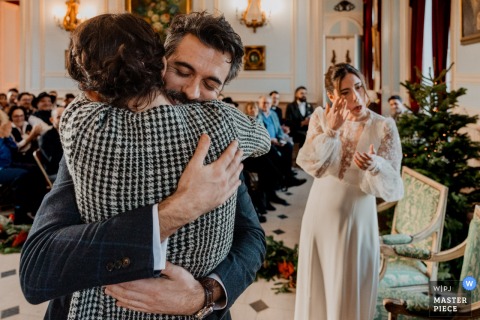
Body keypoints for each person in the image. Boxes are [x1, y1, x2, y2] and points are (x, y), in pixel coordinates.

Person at [20, 11, 266, 320]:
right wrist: (177, 211)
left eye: (210, 83)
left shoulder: (218, 144)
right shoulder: (96, 137)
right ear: (160, 63)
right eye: (182, 70)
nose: (192, 91)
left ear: (220, 93)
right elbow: (37, 269)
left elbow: (252, 237)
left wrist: (202, 295)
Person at [294, 63, 404, 320]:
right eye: (344, 92)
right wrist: (331, 130)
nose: (355, 96)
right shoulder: (321, 118)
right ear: (332, 97)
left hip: (356, 217)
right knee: (317, 287)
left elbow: (394, 187)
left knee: (348, 288)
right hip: (319, 212)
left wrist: (376, 166)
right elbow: (313, 167)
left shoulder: (384, 126)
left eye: (358, 87)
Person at [38, 107, 65, 177]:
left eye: (65, 115)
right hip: (56, 172)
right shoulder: (45, 138)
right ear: (52, 120)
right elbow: (54, 161)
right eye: (59, 117)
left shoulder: (69, 134)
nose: (63, 119)